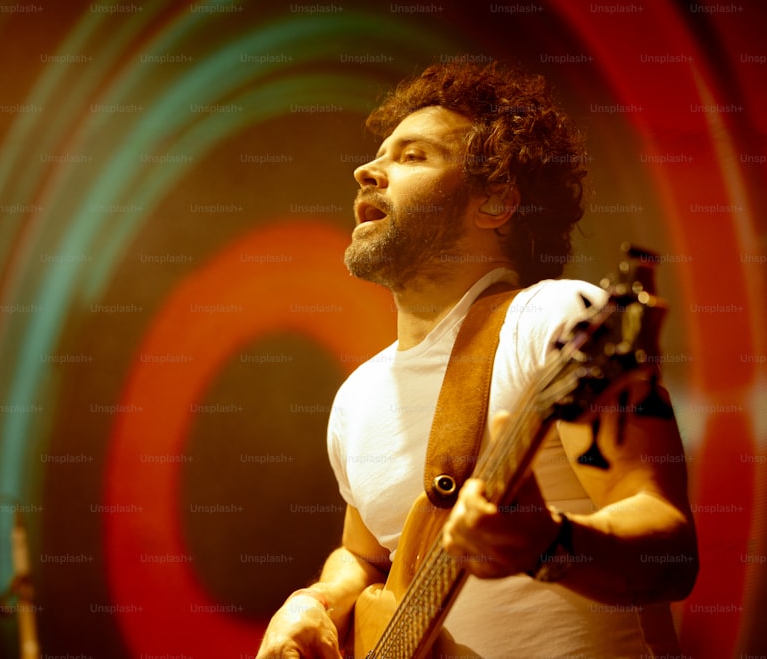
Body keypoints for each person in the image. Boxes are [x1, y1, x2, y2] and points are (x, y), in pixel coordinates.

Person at [255, 61, 698, 658]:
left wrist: (548, 545)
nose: (366, 170)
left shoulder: (558, 321)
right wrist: (314, 602)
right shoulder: (356, 397)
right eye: (379, 154)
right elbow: (365, 555)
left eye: (413, 156)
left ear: (494, 203)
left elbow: (670, 551)